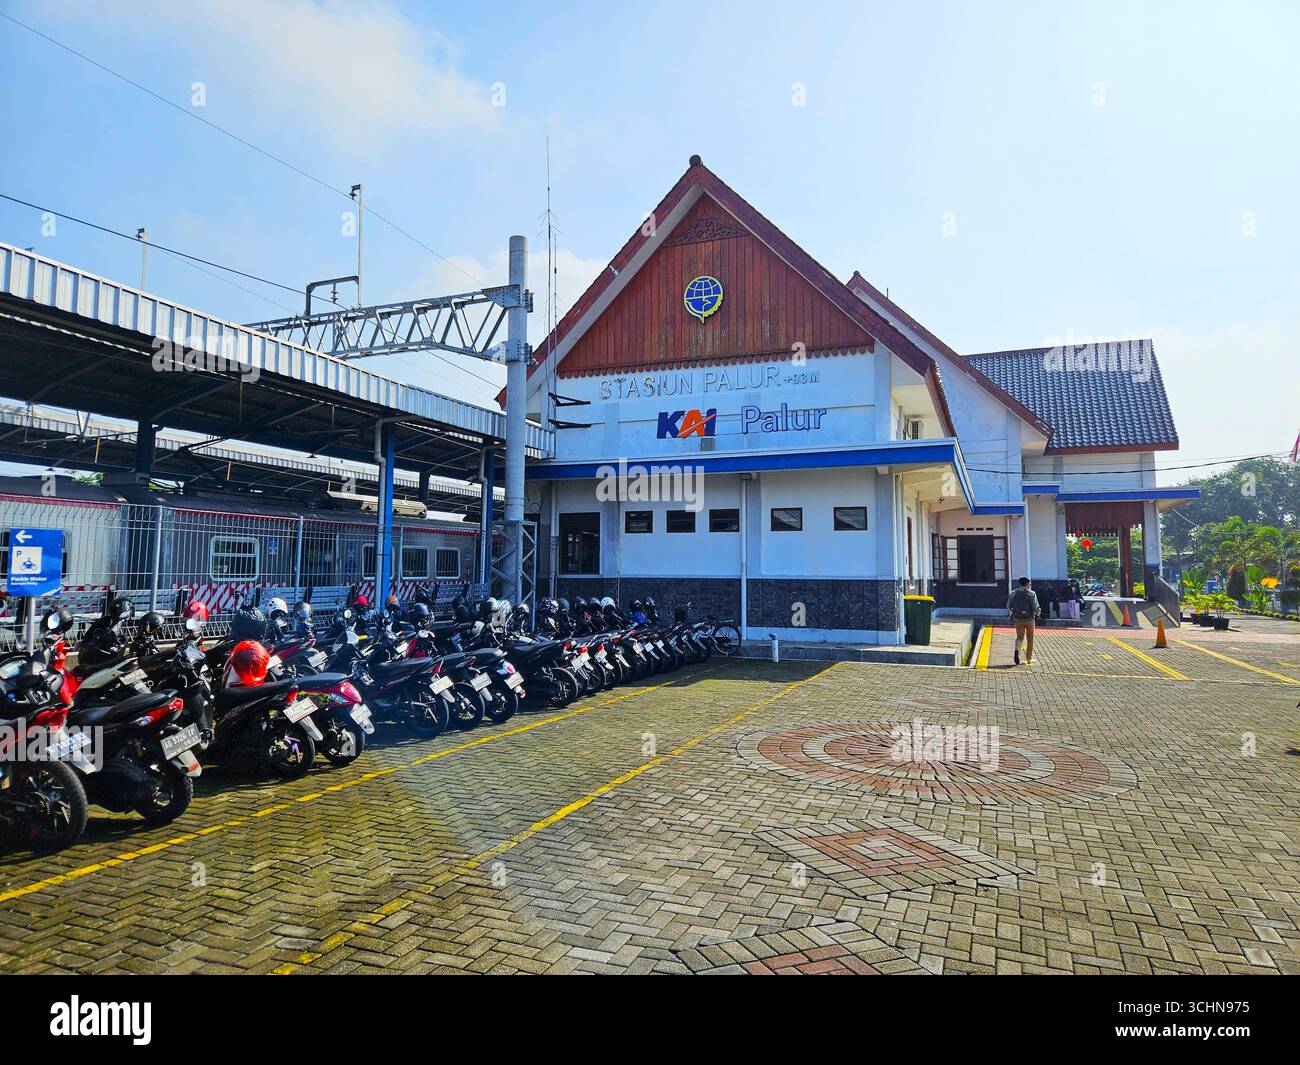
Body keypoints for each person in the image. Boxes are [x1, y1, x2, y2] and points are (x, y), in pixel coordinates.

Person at [1007, 576, 1040, 666]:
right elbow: (1035, 607)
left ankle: (1017, 651)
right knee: (1030, 638)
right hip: (1029, 619)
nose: (1030, 585)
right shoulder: (1031, 593)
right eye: (1030, 583)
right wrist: (1038, 613)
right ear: (1027, 583)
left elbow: (1009, 607)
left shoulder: (1013, 593)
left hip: (1018, 619)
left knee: (1019, 637)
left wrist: (1015, 611)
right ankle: (1029, 658)